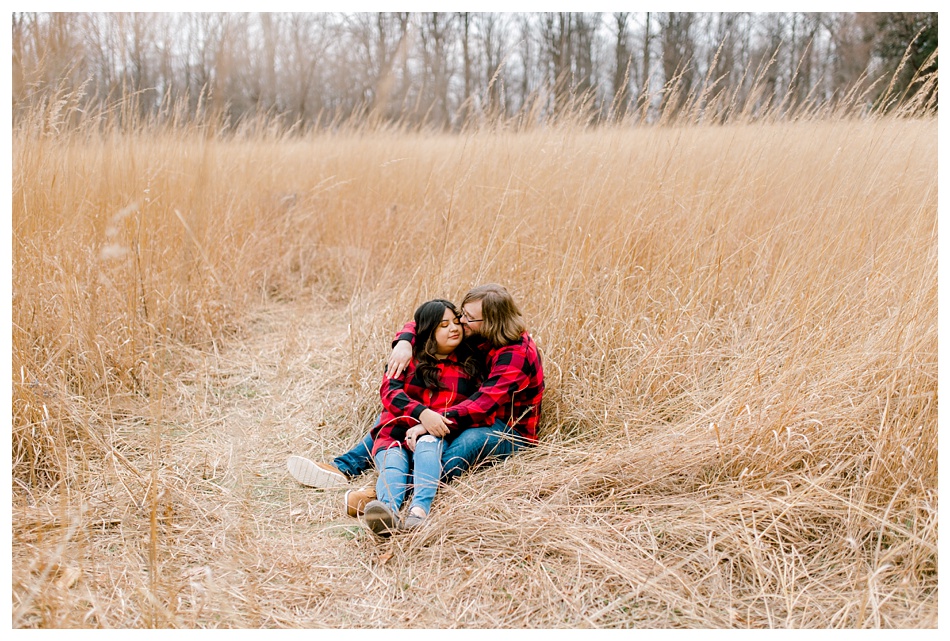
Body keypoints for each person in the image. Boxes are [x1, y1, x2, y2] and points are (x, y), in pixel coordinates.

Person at [288, 284, 544, 515]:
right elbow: (429, 319)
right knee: (396, 418)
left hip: (508, 430)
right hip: (473, 415)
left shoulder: (516, 353)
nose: (460, 322)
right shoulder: (478, 333)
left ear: (490, 322)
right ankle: (343, 468)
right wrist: (405, 342)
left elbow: (481, 405)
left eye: (466, 318)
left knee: (463, 444)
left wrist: (426, 422)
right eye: (461, 314)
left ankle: (379, 495)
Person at [362, 299, 484, 535]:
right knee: (393, 464)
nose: (454, 328)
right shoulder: (408, 359)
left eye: (456, 322)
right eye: (443, 325)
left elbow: (474, 404)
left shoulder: (470, 364)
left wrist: (433, 422)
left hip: (434, 434)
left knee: (428, 448)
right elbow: (390, 392)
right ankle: (387, 512)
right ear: (428, 331)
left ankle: (418, 511)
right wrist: (421, 413)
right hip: (395, 432)